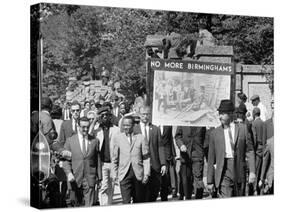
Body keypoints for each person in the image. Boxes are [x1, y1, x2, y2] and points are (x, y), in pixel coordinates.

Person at [207, 99, 256, 198]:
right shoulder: (214, 133)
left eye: (223, 113)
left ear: (231, 113)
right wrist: (209, 181)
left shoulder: (243, 129)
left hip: (240, 171)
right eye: (219, 113)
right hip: (224, 171)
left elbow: (250, 150)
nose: (220, 116)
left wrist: (252, 171)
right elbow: (211, 158)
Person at [62, 117, 102, 207]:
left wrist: (99, 178)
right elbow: (65, 161)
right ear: (78, 126)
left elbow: (97, 160)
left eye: (87, 127)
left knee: (89, 205)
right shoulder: (70, 141)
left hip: (89, 179)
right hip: (74, 179)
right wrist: (68, 173)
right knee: (75, 205)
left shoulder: (95, 141)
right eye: (83, 127)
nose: (86, 129)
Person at [112, 116, 150, 204]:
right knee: (126, 201)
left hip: (138, 174)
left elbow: (146, 157)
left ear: (133, 126)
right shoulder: (118, 138)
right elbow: (114, 158)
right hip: (124, 174)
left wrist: (146, 174)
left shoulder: (141, 138)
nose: (125, 127)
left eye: (128, 125)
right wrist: (114, 174)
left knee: (139, 201)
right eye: (124, 125)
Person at [133, 106, 166, 202]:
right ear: (139, 115)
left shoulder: (155, 129)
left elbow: (160, 146)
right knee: (140, 194)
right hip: (140, 166)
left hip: (154, 165)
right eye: (143, 114)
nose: (145, 116)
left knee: (154, 192)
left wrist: (163, 163)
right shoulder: (135, 129)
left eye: (147, 114)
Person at [89, 107, 120, 206]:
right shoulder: (97, 130)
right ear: (100, 117)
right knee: (103, 187)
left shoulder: (116, 129)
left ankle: (108, 205)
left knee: (111, 187)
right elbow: (89, 135)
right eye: (102, 115)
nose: (105, 117)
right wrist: (94, 121)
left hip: (113, 162)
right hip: (102, 163)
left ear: (110, 116)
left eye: (107, 115)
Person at [175, 126, 206, 199]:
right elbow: (177, 136)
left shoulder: (201, 121)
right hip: (185, 155)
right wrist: (181, 145)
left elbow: (205, 138)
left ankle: (198, 200)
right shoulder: (182, 121)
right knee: (186, 180)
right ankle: (188, 199)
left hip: (198, 154)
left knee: (198, 178)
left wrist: (203, 150)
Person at [158, 125, 178, 200]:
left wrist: (173, 153)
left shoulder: (168, 127)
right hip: (157, 153)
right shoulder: (154, 127)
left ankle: (172, 190)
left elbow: (170, 140)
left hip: (167, 152)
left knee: (168, 173)